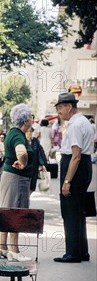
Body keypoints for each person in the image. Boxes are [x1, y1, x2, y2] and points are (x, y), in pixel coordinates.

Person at [52, 92, 94, 263]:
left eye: (60, 108)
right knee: (79, 211)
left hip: (75, 167)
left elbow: (75, 155)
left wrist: (67, 181)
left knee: (70, 211)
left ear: (69, 107)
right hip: (84, 166)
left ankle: (73, 253)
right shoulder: (85, 122)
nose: (59, 112)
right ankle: (82, 251)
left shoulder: (75, 125)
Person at [0, 103, 34, 262]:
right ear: (26, 120)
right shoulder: (18, 135)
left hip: (9, 177)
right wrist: (23, 162)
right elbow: (21, 151)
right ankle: (14, 250)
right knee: (15, 213)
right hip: (17, 179)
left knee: (7, 210)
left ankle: (2, 248)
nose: (32, 119)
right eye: (31, 117)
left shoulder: (12, 133)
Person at [26, 126, 48, 194]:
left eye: (30, 131)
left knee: (32, 186)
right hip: (25, 167)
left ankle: (27, 198)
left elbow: (39, 152)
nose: (29, 133)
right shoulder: (22, 141)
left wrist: (42, 164)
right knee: (25, 186)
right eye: (27, 131)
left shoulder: (35, 141)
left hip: (34, 166)